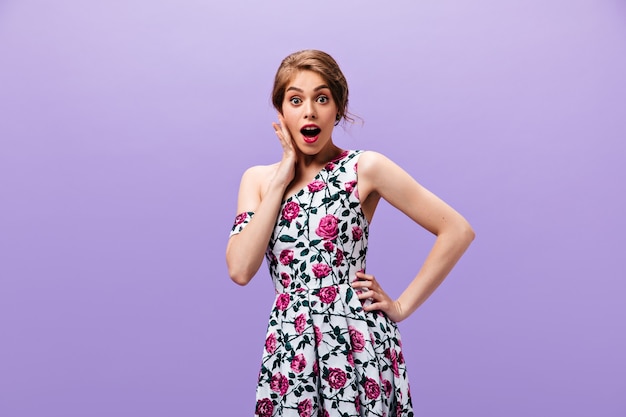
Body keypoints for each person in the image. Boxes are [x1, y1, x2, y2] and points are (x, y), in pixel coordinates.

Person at [226, 49, 475, 417]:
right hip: (292, 344)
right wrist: (282, 178)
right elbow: (241, 270)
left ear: (338, 109)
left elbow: (457, 230)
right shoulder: (258, 180)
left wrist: (401, 306)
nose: (309, 110)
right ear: (281, 112)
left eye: (321, 98)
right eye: (296, 100)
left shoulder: (364, 167)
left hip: (355, 344)